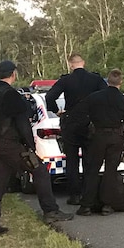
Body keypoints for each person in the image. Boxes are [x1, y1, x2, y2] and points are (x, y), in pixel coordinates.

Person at [0, 60, 73, 237]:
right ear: (13, 74)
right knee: (39, 170)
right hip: (9, 144)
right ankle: (50, 211)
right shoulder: (12, 95)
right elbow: (23, 123)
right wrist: (30, 147)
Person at [74, 68, 124, 216]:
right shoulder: (123, 101)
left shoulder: (94, 98)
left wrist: (85, 133)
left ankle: (87, 205)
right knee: (111, 172)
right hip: (116, 139)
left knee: (92, 171)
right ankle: (107, 205)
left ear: (107, 81)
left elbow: (80, 115)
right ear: (120, 82)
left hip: (98, 137)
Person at [45, 53, 105, 205]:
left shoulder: (66, 80)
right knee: (89, 160)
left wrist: (56, 110)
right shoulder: (96, 79)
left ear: (71, 64)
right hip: (90, 123)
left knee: (71, 160)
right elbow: (106, 95)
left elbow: (50, 97)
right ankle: (88, 194)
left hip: (71, 122)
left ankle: (74, 195)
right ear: (83, 63)